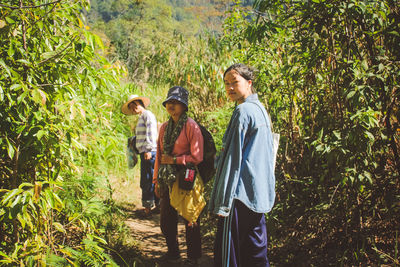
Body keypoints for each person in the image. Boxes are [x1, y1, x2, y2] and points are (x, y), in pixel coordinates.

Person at [208, 63, 276, 267]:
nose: (229, 88)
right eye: (226, 83)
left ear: (249, 83)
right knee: (254, 251)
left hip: (239, 196)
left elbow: (232, 159)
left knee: (229, 255)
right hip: (258, 194)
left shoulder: (244, 111)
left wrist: (223, 202)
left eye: (234, 82)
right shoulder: (261, 109)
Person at [153, 86, 205, 266]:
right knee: (167, 219)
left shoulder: (191, 126)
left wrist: (175, 160)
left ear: (184, 106)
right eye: (169, 102)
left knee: (191, 218)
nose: (171, 105)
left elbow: (197, 157)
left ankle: (193, 257)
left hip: (186, 178)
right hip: (167, 179)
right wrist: (155, 181)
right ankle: (173, 253)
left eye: (176, 102)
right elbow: (159, 156)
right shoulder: (164, 128)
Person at [121, 94, 159, 216]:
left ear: (140, 104)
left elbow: (151, 133)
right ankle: (154, 206)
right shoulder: (142, 117)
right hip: (145, 152)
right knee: (149, 178)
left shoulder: (147, 115)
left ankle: (149, 208)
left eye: (135, 105)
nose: (134, 109)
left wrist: (148, 149)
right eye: (131, 107)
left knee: (148, 179)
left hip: (149, 152)